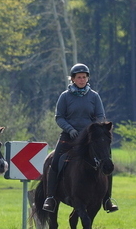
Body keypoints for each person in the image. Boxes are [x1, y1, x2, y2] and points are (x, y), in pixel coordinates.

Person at [43, 63, 118, 213]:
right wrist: (70, 129)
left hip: (89, 138)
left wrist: (90, 130)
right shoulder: (65, 96)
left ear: (87, 78)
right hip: (69, 136)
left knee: (107, 160)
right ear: (73, 79)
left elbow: (100, 116)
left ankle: (107, 199)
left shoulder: (94, 96)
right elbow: (59, 117)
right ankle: (50, 198)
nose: (82, 80)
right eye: (79, 77)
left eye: (84, 77)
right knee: (55, 161)